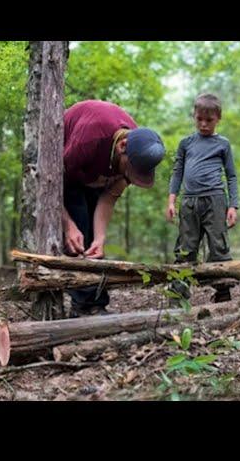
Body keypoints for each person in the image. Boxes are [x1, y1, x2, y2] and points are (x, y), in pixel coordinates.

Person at [63, 100, 165, 317]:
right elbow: (49, 185)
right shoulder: (88, 140)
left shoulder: (139, 152)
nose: (130, 177)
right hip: (67, 174)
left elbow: (108, 198)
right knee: (79, 226)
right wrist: (68, 225)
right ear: (122, 148)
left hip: (97, 174)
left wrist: (100, 238)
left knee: (93, 243)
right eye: (130, 171)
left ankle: (97, 304)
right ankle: (81, 306)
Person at [166, 93, 239, 271]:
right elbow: (177, 173)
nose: (204, 124)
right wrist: (171, 201)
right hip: (189, 202)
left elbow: (231, 176)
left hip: (215, 200)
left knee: (218, 248)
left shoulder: (223, 144)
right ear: (194, 116)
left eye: (209, 120)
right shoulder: (186, 143)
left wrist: (233, 206)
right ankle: (178, 294)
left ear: (218, 119)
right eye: (199, 119)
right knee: (185, 249)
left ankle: (223, 292)